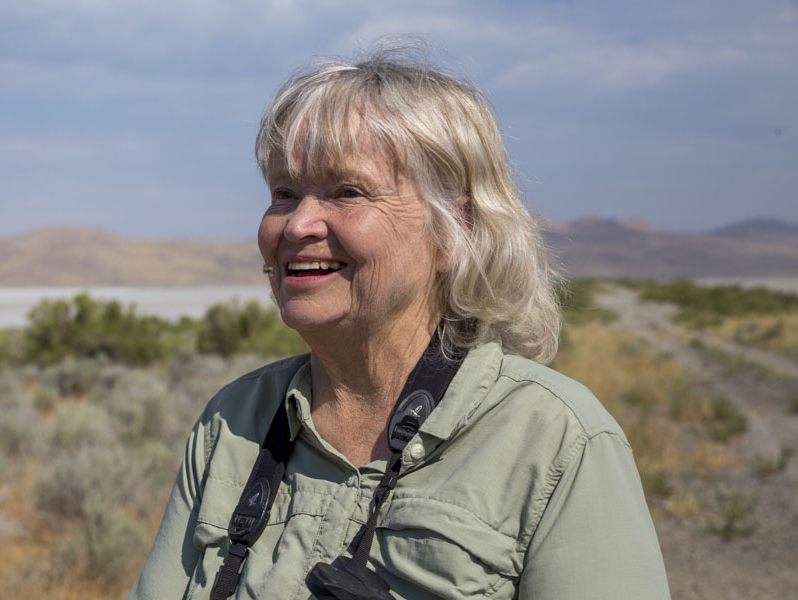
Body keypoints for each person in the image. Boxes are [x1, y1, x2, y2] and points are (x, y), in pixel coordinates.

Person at [129, 42, 670, 600]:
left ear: (454, 229)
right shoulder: (236, 420)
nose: (298, 225)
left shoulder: (554, 439)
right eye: (284, 193)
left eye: (347, 192)